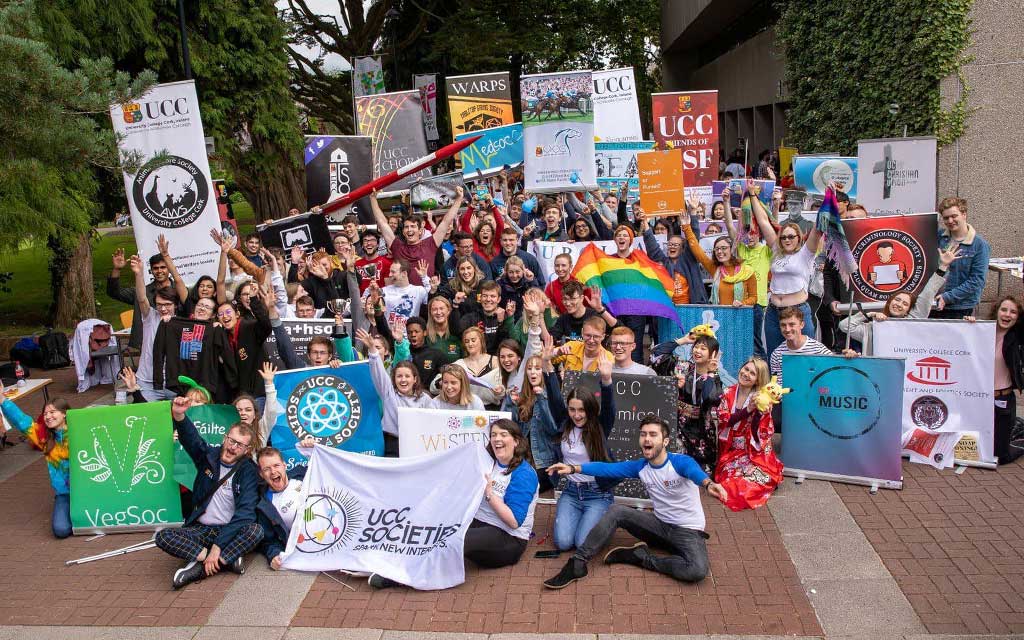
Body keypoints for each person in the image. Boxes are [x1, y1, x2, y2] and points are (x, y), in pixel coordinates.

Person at [543, 415, 726, 588]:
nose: (647, 439)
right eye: (643, 434)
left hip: (688, 531)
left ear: (665, 442)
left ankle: (641, 558)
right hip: (659, 526)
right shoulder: (641, 467)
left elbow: (694, 472)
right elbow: (607, 468)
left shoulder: (680, 462)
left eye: (653, 435)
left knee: (697, 570)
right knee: (616, 511)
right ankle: (577, 563)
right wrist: (572, 468)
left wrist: (708, 484)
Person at [369, 419, 539, 588]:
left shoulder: (524, 473)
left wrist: (490, 495)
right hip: (480, 522)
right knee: (430, 526)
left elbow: (514, 521)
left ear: (516, 441)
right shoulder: (488, 462)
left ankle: (401, 577)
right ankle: (385, 560)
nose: (497, 439)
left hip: (508, 538)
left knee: (452, 540)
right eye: (493, 435)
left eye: (503, 434)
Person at [157, 397, 263, 590]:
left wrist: (219, 545)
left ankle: (198, 569)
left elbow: (246, 513)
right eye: (231, 440)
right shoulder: (209, 457)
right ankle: (225, 560)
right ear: (225, 438)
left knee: (255, 531)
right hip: (202, 529)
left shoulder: (249, 471)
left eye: (239, 445)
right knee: (163, 536)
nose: (232, 447)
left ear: (247, 450)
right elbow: (192, 439)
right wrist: (179, 414)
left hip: (229, 530)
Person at [546, 349, 618, 551]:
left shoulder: (599, 426)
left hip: (597, 493)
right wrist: (547, 366)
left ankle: (608, 519)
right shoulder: (564, 424)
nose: (577, 415)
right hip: (570, 491)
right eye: (572, 409)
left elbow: (610, 409)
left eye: (582, 410)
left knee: (582, 544)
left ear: (590, 409)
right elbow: (553, 397)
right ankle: (583, 519)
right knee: (563, 543)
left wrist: (606, 380)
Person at [749, 179, 822, 356]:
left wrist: (829, 200)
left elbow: (819, 227)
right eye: (784, 237)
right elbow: (763, 221)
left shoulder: (806, 253)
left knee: (804, 357)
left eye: (791, 236)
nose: (787, 240)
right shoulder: (776, 250)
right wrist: (752, 195)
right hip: (774, 312)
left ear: (799, 237)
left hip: (798, 310)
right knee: (774, 356)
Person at [839, 245, 959, 352]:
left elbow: (928, 293)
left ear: (908, 310)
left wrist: (943, 266)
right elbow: (844, 325)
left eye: (905, 304)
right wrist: (870, 314)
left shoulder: (913, 321)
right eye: (897, 300)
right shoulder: (874, 328)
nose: (899, 304)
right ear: (889, 302)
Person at [0, 388, 74, 537]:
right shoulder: (44, 438)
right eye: (45, 413)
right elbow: (22, 421)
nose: (48, 416)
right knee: (61, 530)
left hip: (87, 490)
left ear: (64, 413)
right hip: (64, 494)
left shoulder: (79, 431)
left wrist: (134, 391)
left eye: (52, 412)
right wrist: (2, 400)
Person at [714, 357, 783, 511]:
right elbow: (724, 420)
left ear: (758, 380)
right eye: (745, 369)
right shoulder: (728, 392)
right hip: (731, 450)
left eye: (752, 373)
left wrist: (759, 413)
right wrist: (747, 410)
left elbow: (761, 433)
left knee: (749, 485)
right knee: (728, 484)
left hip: (752, 452)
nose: (746, 374)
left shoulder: (761, 399)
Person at [966, 296, 1024, 464]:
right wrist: (968, 326)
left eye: (1013, 312)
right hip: (978, 398)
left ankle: (1020, 440)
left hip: (1002, 398)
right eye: (1004, 310)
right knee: (974, 449)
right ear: (996, 311)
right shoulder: (982, 330)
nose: (1007, 315)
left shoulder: (1017, 336)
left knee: (1001, 456)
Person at [359, 328, 432, 456]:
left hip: (417, 443)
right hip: (392, 443)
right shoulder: (388, 393)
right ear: (394, 379)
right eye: (399, 376)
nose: (403, 380)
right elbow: (378, 372)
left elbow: (435, 421)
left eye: (407, 376)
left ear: (414, 379)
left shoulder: (425, 399)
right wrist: (372, 350)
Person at [371, 187, 463, 286]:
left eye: (413, 226)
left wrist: (459, 199)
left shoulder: (430, 243)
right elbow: (382, 222)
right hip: (403, 297)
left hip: (427, 295)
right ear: (403, 231)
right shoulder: (397, 246)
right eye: (406, 227)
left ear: (420, 231)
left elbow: (446, 222)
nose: (409, 230)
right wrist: (373, 199)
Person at [723, 186, 771, 357]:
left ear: (760, 234)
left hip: (758, 304)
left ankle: (763, 373)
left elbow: (771, 228)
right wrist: (726, 202)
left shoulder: (767, 251)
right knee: (741, 340)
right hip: (740, 303)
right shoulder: (741, 249)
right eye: (748, 233)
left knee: (755, 341)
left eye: (754, 233)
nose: (750, 237)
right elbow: (729, 226)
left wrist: (777, 204)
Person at [127, 255, 178, 401]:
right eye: (160, 304)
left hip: (172, 383)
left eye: (167, 305)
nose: (163, 308)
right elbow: (142, 298)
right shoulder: (151, 317)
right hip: (147, 382)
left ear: (175, 305)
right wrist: (138, 273)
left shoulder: (181, 323)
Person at [932, 197, 990, 319]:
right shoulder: (938, 237)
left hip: (961, 307)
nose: (950, 220)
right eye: (946, 218)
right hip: (933, 302)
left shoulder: (979, 245)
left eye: (954, 216)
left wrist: (948, 297)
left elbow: (977, 280)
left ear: (964, 214)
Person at [768, 306, 834, 386]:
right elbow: (778, 386)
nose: (787, 329)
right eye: (783, 325)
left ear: (802, 325)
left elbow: (836, 370)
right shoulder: (777, 355)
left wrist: (849, 357)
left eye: (792, 324)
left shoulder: (818, 349)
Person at [551, 281, 617, 343]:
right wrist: (541, 315)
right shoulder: (563, 318)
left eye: (572, 299)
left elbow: (618, 329)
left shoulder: (595, 315)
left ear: (581, 298)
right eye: (565, 299)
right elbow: (550, 339)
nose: (568, 303)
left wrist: (600, 309)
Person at [380, 260, 431, 329]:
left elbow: (432, 295)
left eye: (393, 272)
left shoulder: (418, 291)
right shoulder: (384, 291)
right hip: (390, 336)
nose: (389, 275)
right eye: (390, 271)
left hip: (411, 336)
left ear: (404, 273)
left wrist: (424, 277)